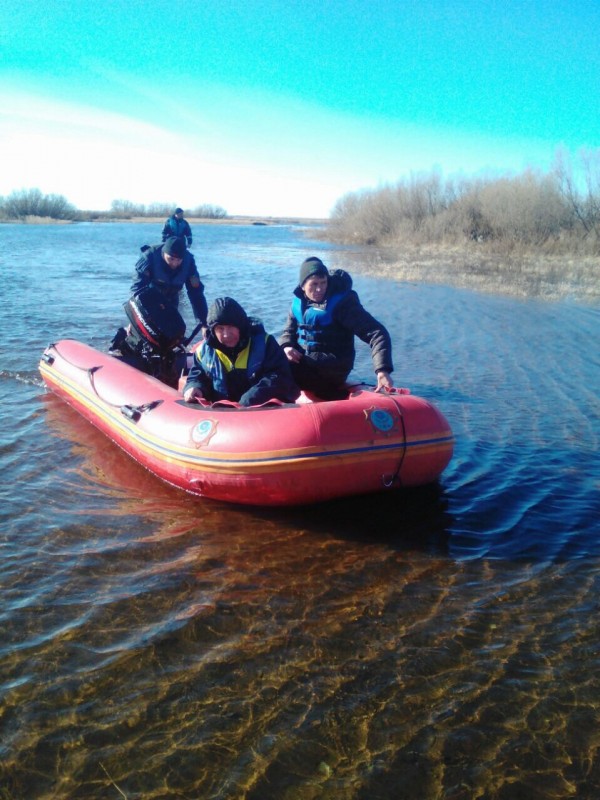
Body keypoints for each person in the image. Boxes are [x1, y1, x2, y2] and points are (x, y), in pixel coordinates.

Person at [279, 256, 394, 399]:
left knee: (278, 369)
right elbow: (288, 332)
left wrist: (382, 370)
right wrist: (286, 346)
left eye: (323, 282)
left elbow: (377, 333)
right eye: (314, 284)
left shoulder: (343, 304)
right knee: (271, 354)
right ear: (302, 286)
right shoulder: (298, 303)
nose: (319, 289)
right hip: (308, 362)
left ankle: (328, 394)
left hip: (332, 369)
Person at [183, 297, 298, 406]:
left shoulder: (265, 344)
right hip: (222, 411)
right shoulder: (203, 352)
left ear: (241, 327)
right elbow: (196, 376)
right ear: (213, 331)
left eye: (230, 327)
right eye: (220, 329)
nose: (226, 334)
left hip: (260, 408)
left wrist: (250, 399)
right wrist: (194, 386)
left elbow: (280, 377)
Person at [131, 236, 207, 324]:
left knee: (173, 326)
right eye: (171, 259)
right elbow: (137, 290)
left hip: (172, 297)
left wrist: (203, 323)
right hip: (151, 298)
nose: (174, 263)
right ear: (164, 253)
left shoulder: (189, 262)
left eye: (179, 260)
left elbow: (196, 293)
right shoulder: (149, 257)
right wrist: (136, 318)